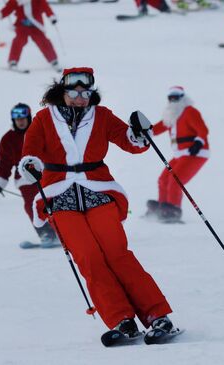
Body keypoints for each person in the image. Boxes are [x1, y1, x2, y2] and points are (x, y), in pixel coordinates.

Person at [18, 67, 175, 338]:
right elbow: (30, 150)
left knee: (117, 254)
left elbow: (131, 142)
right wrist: (31, 164)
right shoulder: (44, 118)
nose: (80, 98)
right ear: (62, 92)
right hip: (60, 195)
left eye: (86, 93)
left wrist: (139, 133)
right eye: (74, 93)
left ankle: (157, 315)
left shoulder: (101, 116)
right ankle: (121, 319)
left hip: (98, 190)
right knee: (89, 259)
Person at [0, 103, 58, 247]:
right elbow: (3, 163)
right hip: (24, 179)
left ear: (28, 117)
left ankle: (61, 231)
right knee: (31, 206)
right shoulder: (8, 139)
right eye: (17, 118)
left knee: (51, 203)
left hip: (46, 175)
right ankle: (46, 234)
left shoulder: (39, 132)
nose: (20, 121)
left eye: (23, 117)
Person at [146, 86, 209, 222]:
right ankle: (163, 207)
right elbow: (157, 128)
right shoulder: (172, 115)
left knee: (175, 180)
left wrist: (198, 142)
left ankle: (173, 210)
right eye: (171, 97)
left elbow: (202, 130)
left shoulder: (189, 111)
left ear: (182, 97)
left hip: (195, 153)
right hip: (180, 154)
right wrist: (145, 131)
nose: (173, 100)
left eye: (176, 97)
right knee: (163, 179)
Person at [0, 0, 61, 71]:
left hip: (36, 25)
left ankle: (53, 60)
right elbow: (8, 8)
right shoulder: (16, 1)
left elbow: (46, 7)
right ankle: (13, 61)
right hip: (22, 25)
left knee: (43, 41)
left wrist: (51, 16)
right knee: (18, 41)